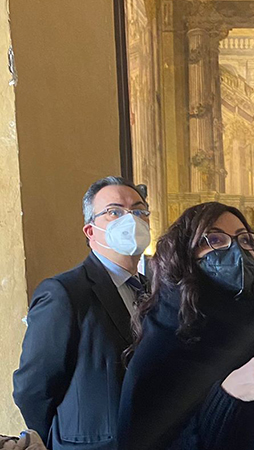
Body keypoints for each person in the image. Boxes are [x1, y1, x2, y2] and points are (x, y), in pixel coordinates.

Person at [117, 202, 254, 450]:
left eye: (245, 240)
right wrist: (227, 393)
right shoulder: (165, 337)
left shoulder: (252, 323)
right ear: (184, 253)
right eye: (214, 239)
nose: (236, 250)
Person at [13, 176, 151, 450]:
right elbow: (33, 388)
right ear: (90, 231)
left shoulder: (155, 289)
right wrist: (61, 438)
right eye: (114, 212)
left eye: (139, 211)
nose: (130, 219)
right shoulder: (64, 292)